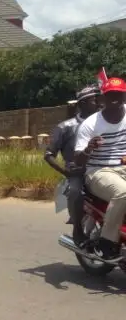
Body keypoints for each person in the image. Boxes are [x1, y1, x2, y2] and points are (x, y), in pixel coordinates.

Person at [74, 76, 126, 261]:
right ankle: (107, 242)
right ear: (102, 98)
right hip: (99, 171)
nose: (115, 99)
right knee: (123, 193)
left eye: (119, 95)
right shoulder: (91, 125)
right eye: (110, 95)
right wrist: (89, 148)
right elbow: (78, 160)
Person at [45, 85, 100, 244]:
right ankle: (77, 228)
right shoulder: (65, 127)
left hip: (102, 168)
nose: (98, 103)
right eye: (93, 100)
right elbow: (48, 155)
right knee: (75, 191)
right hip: (77, 173)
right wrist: (67, 172)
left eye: (99, 99)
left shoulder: (102, 123)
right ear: (82, 104)